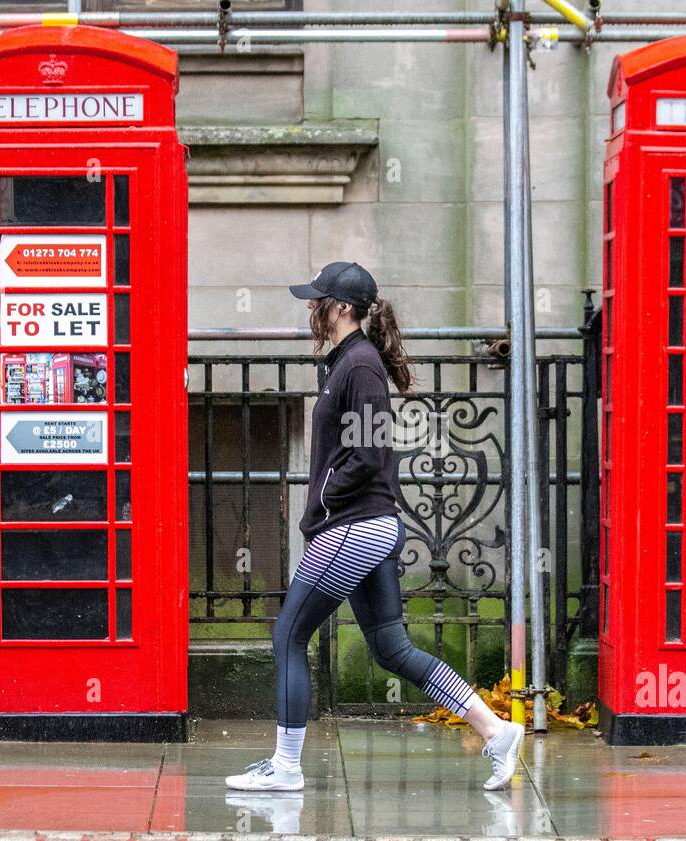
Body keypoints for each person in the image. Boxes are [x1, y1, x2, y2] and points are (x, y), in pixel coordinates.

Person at [225, 261, 525, 792]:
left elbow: (369, 453)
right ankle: (496, 730)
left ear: (341, 309)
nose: (310, 308)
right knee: (392, 649)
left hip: (354, 527)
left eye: (317, 300)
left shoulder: (359, 366)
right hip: (371, 526)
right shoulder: (347, 361)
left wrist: (322, 499)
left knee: (288, 636)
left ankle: (287, 767)